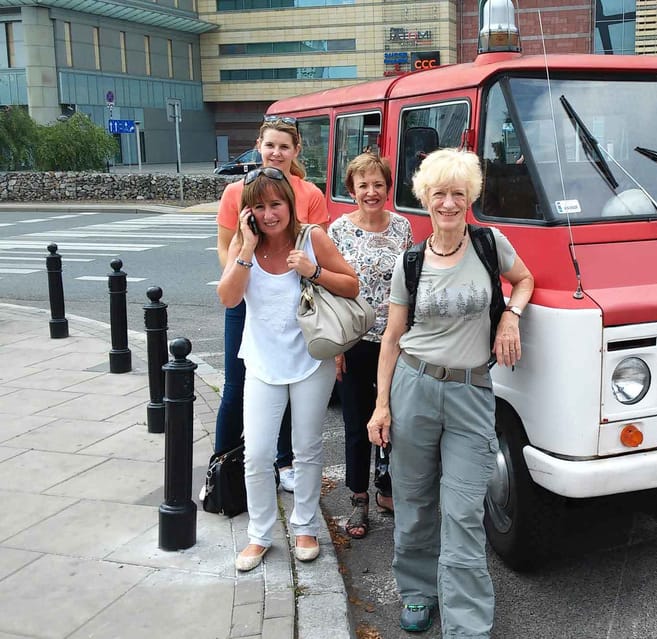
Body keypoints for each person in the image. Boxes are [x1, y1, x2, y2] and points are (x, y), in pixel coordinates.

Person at [366, 148, 534, 636]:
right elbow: (392, 339)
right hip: (413, 387)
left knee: (463, 510)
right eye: (439, 193)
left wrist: (510, 316)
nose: (448, 203)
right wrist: (381, 406)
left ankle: (466, 624)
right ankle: (418, 592)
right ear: (425, 198)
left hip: (471, 392)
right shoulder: (411, 261)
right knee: (415, 500)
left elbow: (523, 280)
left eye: (458, 193)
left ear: (470, 197)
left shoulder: (489, 245)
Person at [217, 168, 359, 572]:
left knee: (307, 449)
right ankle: (260, 534)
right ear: (248, 212)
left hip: (310, 360)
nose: (268, 214)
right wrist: (244, 247)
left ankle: (304, 526)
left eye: (275, 204)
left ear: (289, 205)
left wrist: (311, 270)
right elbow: (229, 299)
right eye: (258, 207)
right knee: (258, 453)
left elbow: (352, 285)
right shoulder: (246, 246)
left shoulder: (311, 238)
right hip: (262, 362)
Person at [215, 115, 329, 493]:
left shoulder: (309, 194)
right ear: (259, 147)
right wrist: (243, 279)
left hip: (294, 299)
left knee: (289, 379)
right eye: (270, 145)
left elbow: (317, 247)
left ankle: (284, 462)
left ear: (295, 151)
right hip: (251, 289)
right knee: (237, 385)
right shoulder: (236, 192)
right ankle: (223, 465)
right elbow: (226, 243)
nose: (276, 152)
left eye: (284, 146)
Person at [328, 152, 413, 539]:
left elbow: (413, 284)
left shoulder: (403, 228)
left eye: (378, 184)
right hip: (355, 340)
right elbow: (328, 288)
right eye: (363, 185)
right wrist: (336, 348)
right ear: (352, 190)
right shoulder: (338, 231)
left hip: (395, 340)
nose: (371, 192)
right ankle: (359, 498)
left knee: (395, 418)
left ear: (388, 188)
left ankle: (388, 487)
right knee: (357, 421)